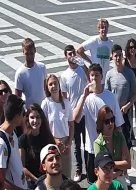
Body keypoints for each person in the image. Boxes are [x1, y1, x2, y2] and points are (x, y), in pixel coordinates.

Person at [72, 63, 123, 178]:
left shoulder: (110, 96)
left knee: (108, 181)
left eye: (97, 75)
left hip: (109, 148)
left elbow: (118, 124)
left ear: (102, 76)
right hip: (91, 148)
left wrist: (119, 148)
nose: (94, 78)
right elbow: (75, 118)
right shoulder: (87, 99)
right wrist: (83, 96)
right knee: (94, 183)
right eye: (92, 75)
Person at [59, 45, 90, 179]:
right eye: (69, 54)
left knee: (88, 141)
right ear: (66, 57)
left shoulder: (82, 69)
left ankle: (90, 167)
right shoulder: (64, 75)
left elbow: (91, 78)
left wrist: (84, 65)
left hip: (86, 111)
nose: (72, 56)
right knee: (77, 143)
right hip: (74, 113)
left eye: (73, 53)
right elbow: (65, 97)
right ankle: (78, 168)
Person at [105, 44, 136, 148]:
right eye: (116, 56)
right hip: (113, 115)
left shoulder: (129, 73)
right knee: (113, 142)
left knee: (126, 143)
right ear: (112, 57)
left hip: (125, 114)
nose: (118, 58)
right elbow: (107, 95)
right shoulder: (109, 74)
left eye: (120, 55)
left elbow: (135, 94)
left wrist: (128, 106)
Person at [41, 73, 73, 181]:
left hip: (65, 142)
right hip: (52, 141)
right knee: (54, 172)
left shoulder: (66, 103)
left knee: (66, 173)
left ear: (59, 85)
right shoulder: (46, 104)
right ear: (47, 87)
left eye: (55, 83)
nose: (53, 86)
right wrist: (55, 140)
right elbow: (44, 125)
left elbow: (71, 123)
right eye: (50, 84)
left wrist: (69, 143)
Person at [14, 38, 46, 108]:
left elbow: (45, 88)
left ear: (35, 50)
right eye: (27, 54)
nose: (29, 56)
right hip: (30, 111)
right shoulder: (20, 73)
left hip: (44, 109)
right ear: (23, 52)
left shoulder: (42, 67)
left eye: (31, 53)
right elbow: (17, 97)